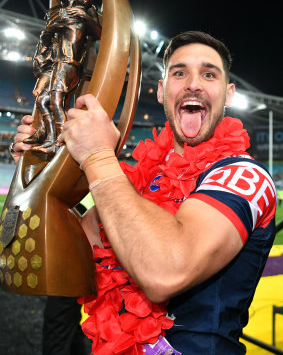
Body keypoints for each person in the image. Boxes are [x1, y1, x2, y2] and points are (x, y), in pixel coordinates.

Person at [11, 31, 277, 354]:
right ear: (162, 91)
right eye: (179, 73)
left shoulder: (245, 175)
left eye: (209, 74)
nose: (193, 83)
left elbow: (165, 271)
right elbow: (74, 250)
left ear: (229, 94)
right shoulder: (135, 182)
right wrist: (39, 174)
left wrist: (97, 157)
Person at [25, 0, 101, 152]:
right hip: (53, 62)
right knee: (42, 99)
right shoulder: (54, 12)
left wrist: (83, 15)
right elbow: (48, 36)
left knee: (57, 101)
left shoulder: (85, 8)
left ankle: (59, 143)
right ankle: (48, 135)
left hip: (69, 62)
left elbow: (99, 33)